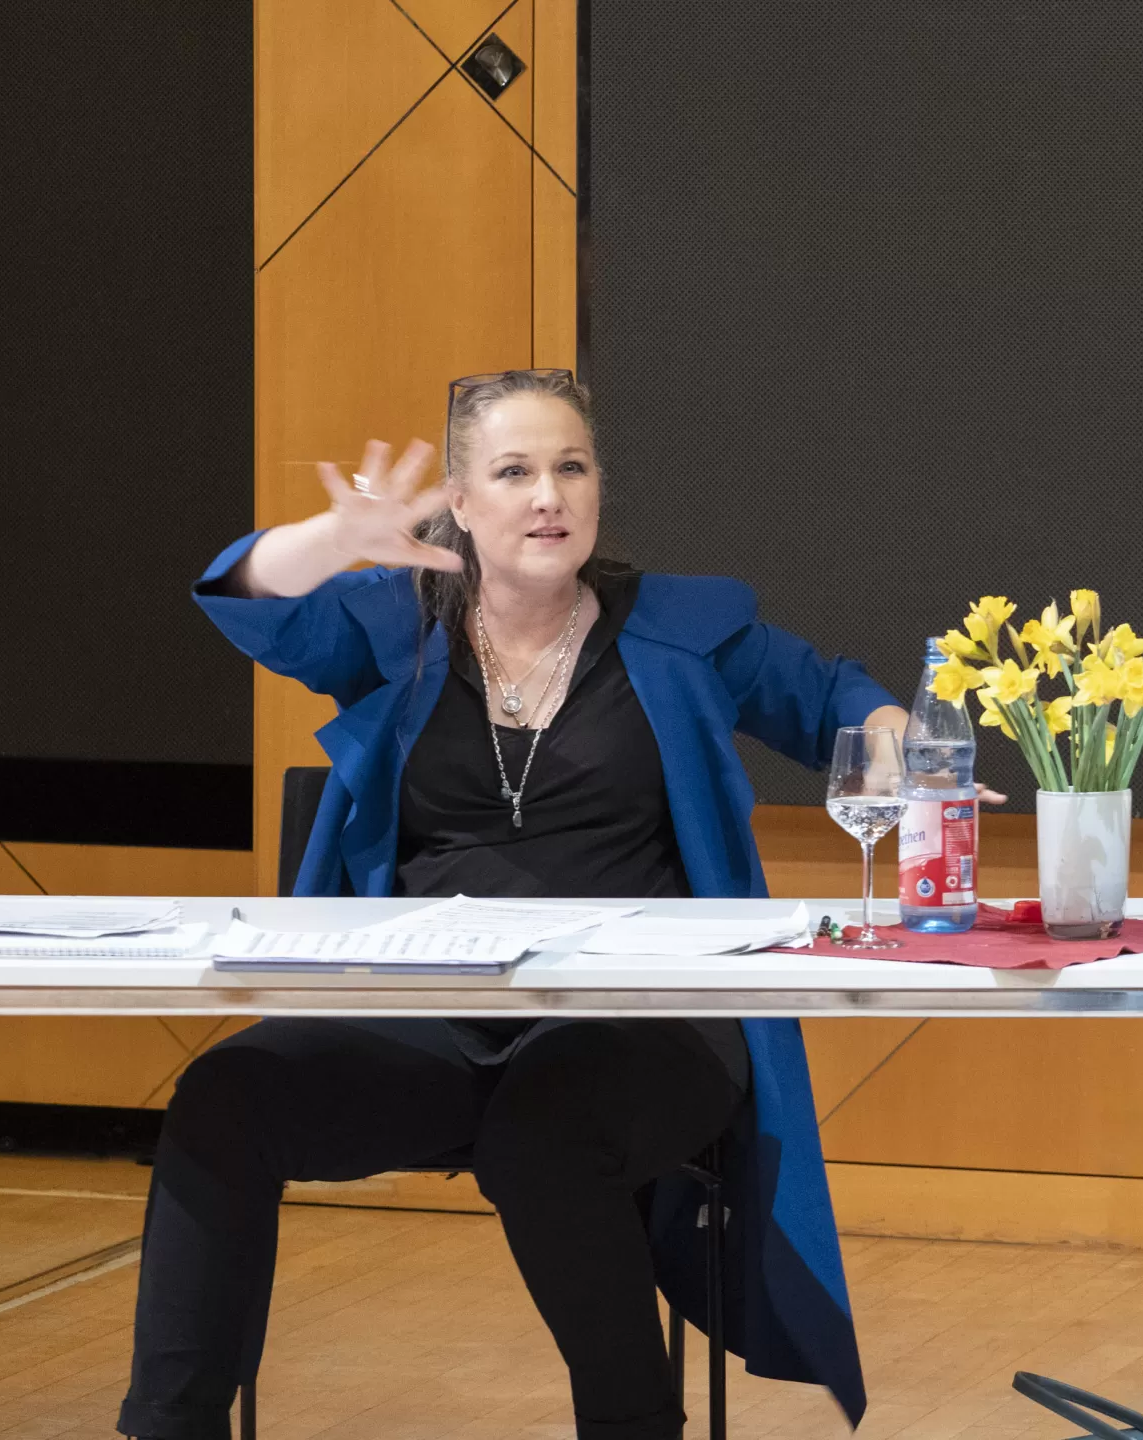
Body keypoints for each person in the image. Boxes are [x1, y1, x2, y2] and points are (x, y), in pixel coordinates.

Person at [120, 368, 947, 1440]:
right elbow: (241, 600)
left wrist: (885, 726)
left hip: (645, 1026)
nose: (548, 494)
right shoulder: (394, 624)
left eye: (571, 466)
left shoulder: (685, 626)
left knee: (543, 1135)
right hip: (434, 1025)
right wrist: (334, 538)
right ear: (459, 503)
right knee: (224, 1099)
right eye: (513, 472)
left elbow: (834, 692)